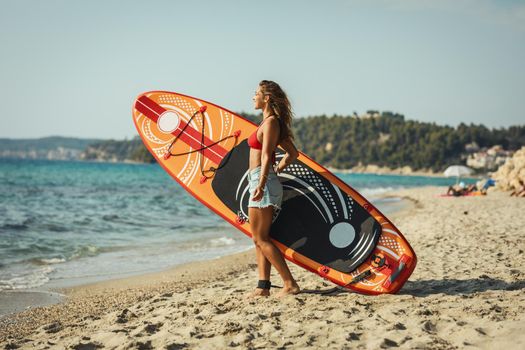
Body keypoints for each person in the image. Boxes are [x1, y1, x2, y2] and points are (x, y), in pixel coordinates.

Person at [247, 80, 300, 298]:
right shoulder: (272, 123)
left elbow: (267, 154)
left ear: (266, 98)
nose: (253, 97)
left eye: (256, 93)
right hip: (263, 179)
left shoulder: (270, 123)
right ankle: (263, 286)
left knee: (261, 239)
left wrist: (261, 183)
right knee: (259, 237)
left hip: (262, 181)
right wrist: (279, 168)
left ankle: (290, 284)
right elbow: (293, 154)